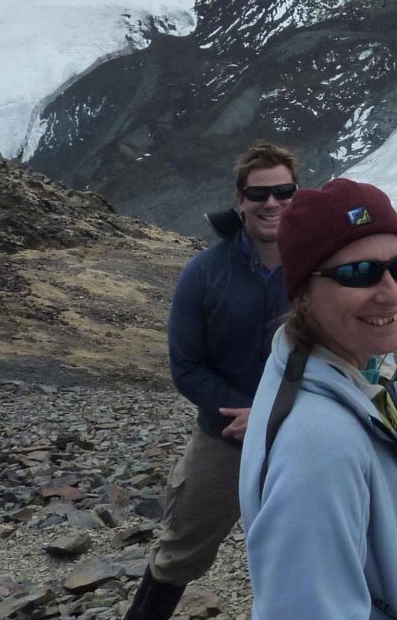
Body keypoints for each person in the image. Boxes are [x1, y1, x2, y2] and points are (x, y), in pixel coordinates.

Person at [239, 178, 397, 618]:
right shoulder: (318, 445)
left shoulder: (359, 371)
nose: (392, 292)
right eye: (358, 273)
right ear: (302, 292)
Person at [122, 143, 297, 620]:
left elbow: (334, 355)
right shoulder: (204, 272)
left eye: (284, 191)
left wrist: (273, 413)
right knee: (181, 550)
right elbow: (187, 366)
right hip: (224, 437)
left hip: (301, 432)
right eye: (258, 194)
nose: (272, 203)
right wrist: (246, 414)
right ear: (239, 201)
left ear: (297, 195)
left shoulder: (316, 271)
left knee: (308, 549)